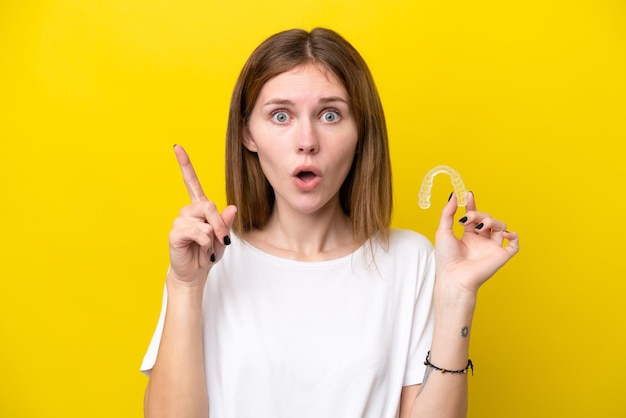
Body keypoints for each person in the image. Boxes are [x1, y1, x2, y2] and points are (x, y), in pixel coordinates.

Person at [140, 27, 519, 418]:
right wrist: (185, 285)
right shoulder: (208, 260)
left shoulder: (410, 260)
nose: (307, 140)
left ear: (360, 133)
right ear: (247, 133)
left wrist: (457, 296)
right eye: (281, 115)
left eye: (330, 114)